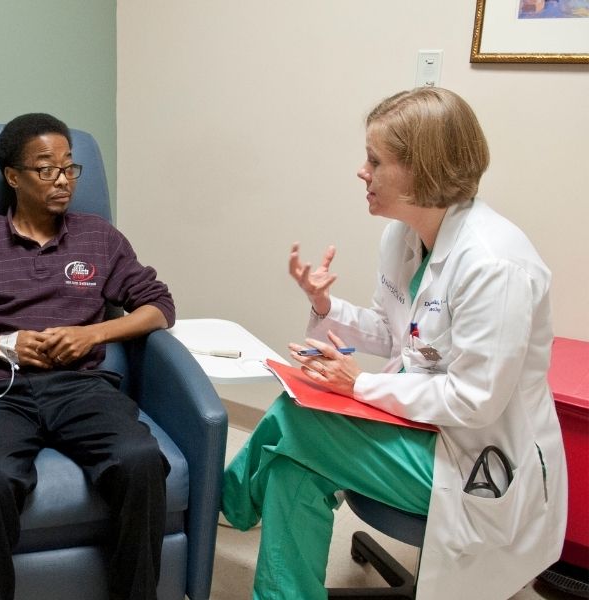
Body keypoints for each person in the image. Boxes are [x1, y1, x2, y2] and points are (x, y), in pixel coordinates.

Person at [222, 88, 567, 600]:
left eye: (375, 160)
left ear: (421, 171)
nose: (362, 171)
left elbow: (474, 400)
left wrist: (358, 385)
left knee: (298, 422)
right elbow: (397, 336)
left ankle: (219, 504)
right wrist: (325, 308)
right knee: (295, 464)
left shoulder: (495, 265)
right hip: (419, 427)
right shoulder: (404, 237)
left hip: (478, 460)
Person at [0, 113, 175, 600]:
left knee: (140, 460)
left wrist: (94, 335)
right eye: (47, 169)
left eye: (70, 167)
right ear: (13, 176)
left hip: (81, 387)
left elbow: (159, 307)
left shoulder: (98, 237)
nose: (63, 179)